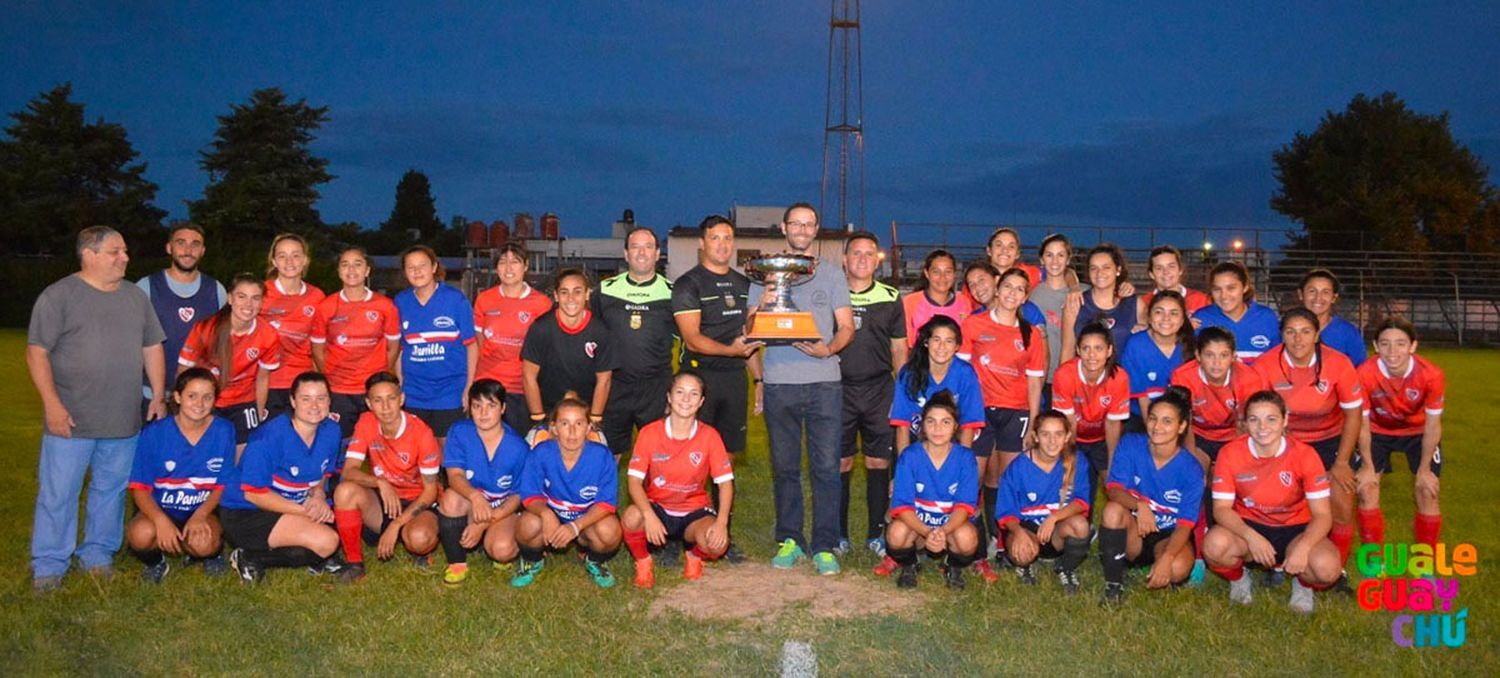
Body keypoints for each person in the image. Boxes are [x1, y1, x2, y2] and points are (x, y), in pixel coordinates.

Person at [27, 226, 167, 591]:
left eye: (124, 251)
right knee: (59, 493)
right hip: (70, 420)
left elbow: (152, 347)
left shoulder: (135, 298)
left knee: (111, 490)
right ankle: (50, 564)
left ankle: (98, 555)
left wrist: (156, 395)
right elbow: (36, 352)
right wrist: (52, 405)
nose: (125, 257)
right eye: (115, 252)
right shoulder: (59, 296)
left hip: (122, 420)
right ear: (89, 254)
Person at [748, 202, 855, 575]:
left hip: (825, 382)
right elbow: (750, 331)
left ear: (816, 229)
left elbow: (846, 327)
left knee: (826, 467)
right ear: (784, 227)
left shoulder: (831, 274)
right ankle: (790, 538)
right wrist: (761, 304)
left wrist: (829, 348)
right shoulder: (764, 273)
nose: (802, 229)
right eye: (796, 223)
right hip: (781, 382)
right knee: (785, 467)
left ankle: (824, 544)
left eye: (809, 224)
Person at [672, 215, 761, 564]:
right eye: (715, 238)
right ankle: (674, 535)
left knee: (722, 464)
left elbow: (749, 339)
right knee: (686, 459)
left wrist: (758, 379)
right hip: (697, 380)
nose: (722, 244)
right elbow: (693, 340)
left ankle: (721, 532)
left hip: (733, 380)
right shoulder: (688, 284)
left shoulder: (745, 284)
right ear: (702, 243)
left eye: (728, 238)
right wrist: (733, 351)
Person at [1249, 308, 1362, 577]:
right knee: (1279, 498)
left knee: (1342, 501)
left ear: (1317, 334)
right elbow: (1258, 416)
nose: (1298, 339)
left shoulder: (1338, 363)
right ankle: (1275, 563)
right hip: (1283, 442)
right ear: (1281, 336)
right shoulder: (1266, 365)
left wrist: (1342, 462)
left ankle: (1338, 568)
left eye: (1305, 331)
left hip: (1329, 441)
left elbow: (1353, 414)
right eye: (1290, 332)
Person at [1204, 391, 1341, 613]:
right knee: (1215, 545)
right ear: (1246, 423)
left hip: (1296, 529)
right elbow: (1221, 510)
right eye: (1254, 419)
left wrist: (1304, 547)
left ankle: (1303, 584)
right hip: (1250, 527)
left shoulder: (1305, 455)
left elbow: (1323, 515)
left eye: (1271, 419)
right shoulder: (1230, 453)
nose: (1262, 427)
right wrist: (1251, 537)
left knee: (1327, 569)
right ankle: (1239, 580)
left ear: (1285, 420)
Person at [959, 266, 1045, 572]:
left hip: (1016, 413)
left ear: (1025, 297)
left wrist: (1034, 421)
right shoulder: (974, 324)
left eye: (1019, 289)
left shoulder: (1031, 333)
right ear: (997, 288)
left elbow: (1035, 381)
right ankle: (974, 550)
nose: (1012, 293)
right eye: (1007, 287)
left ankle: (1009, 546)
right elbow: (962, 373)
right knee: (973, 479)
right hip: (979, 412)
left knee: (1008, 483)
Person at [219, 371, 343, 584]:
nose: (315, 406)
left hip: (293, 502)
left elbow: (324, 472)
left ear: (329, 401)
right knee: (327, 541)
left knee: (336, 524)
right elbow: (253, 494)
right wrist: (307, 512)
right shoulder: (269, 437)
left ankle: (309, 551)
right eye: (306, 398)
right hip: (247, 511)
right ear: (293, 401)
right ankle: (249, 556)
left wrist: (319, 496)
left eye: (321, 398)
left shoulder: (331, 430)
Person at [622, 371, 734, 589]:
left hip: (694, 512)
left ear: (701, 402)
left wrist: (721, 523)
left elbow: (725, 485)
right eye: (680, 392)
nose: (686, 399)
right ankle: (643, 562)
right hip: (659, 508)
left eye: (694, 394)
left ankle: (694, 556)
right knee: (631, 516)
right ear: (669, 397)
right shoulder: (649, 433)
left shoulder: (710, 436)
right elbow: (634, 482)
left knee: (718, 545)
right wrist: (649, 515)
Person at [126, 367, 234, 583]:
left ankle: (207, 555)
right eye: (192, 396)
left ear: (215, 400)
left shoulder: (224, 430)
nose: (199, 403)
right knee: (140, 535)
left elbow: (222, 484)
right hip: (162, 507)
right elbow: (139, 487)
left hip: (200, 508)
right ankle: (156, 562)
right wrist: (160, 520)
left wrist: (200, 516)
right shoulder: (155, 433)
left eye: (207, 397)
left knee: (204, 544)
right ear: (177, 397)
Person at [331, 372, 442, 582]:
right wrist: (379, 482)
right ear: (369, 404)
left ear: (402, 399)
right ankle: (355, 564)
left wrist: (396, 524)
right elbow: (349, 470)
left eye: (391, 398)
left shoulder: (422, 433)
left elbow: (431, 491)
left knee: (419, 539)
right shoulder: (366, 422)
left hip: (416, 501)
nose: (386, 407)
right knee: (344, 491)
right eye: (378, 400)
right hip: (383, 499)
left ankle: (414, 544)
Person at [1098, 387, 1205, 603]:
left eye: (1167, 421)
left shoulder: (1191, 469)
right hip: (1135, 531)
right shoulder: (1130, 444)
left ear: (1181, 426)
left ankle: (1158, 562)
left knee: (1176, 568)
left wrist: (1167, 557)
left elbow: (1185, 523)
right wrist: (1140, 505)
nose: (1157, 427)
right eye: (1153, 419)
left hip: (1167, 534)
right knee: (1112, 510)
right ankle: (1113, 584)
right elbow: (1113, 489)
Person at [838, 231, 907, 558]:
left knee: (879, 460)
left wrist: (902, 392)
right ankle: (838, 533)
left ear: (876, 261)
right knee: (841, 461)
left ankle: (875, 533)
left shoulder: (891, 296)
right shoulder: (833, 293)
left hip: (879, 389)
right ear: (845, 259)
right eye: (856, 253)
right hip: (838, 390)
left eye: (870, 254)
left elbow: (899, 349)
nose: (863, 259)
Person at [514, 395, 623, 589]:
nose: (572, 432)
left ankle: (594, 560)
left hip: (585, 521)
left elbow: (606, 504)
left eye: (579, 423)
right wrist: (546, 514)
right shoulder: (541, 452)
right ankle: (533, 559)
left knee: (610, 531)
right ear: (554, 428)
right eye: (565, 424)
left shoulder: (602, 456)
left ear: (589, 427)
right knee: (527, 524)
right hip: (551, 518)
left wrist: (575, 526)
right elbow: (529, 494)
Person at [1355, 317, 1445, 549]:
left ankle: (1425, 564)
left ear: (1413, 346)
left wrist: (1424, 469)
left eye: (1400, 343)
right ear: (1376, 346)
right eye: (1385, 343)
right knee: (1366, 488)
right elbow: (1361, 424)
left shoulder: (1431, 375)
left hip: (1418, 432)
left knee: (1427, 490)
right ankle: (1374, 563)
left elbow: (1433, 425)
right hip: (1376, 431)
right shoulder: (1364, 373)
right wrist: (1367, 465)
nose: (1392, 351)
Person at [435, 379, 531, 586]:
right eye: (477, 406)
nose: (483, 413)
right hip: (472, 504)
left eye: (491, 405)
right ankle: (457, 562)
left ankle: (495, 543)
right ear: (470, 408)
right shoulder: (459, 432)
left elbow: (517, 496)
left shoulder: (519, 447)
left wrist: (485, 523)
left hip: (502, 510)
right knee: (451, 498)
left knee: (501, 550)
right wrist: (475, 496)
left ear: (503, 408)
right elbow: (454, 475)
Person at [884, 392, 981, 589]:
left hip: (950, 526)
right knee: (896, 533)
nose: (937, 428)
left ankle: (951, 566)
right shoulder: (910, 456)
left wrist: (943, 532)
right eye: (931, 421)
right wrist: (928, 533)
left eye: (945, 422)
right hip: (920, 527)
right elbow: (902, 506)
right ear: (922, 426)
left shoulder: (966, 458)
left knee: (968, 539)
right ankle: (910, 565)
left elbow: (964, 506)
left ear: (955, 426)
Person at [594, 226, 677, 457]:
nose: (642, 253)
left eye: (648, 247)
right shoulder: (604, 291)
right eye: (635, 247)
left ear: (658, 253)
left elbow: (689, 341)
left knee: (659, 456)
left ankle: (657, 495)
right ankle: (603, 495)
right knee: (607, 455)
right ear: (626, 254)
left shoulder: (674, 293)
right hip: (615, 387)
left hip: (656, 388)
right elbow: (589, 336)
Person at [177, 274, 282, 447]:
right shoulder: (206, 328)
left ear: (262, 302)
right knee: (208, 453)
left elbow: (263, 378)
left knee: (245, 456)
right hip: (209, 401)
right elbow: (184, 370)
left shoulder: (268, 334)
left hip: (243, 400)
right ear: (230, 298)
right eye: (242, 296)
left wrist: (259, 411)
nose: (248, 304)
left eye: (255, 298)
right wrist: (184, 406)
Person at [995, 410, 1093, 593]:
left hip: (1056, 531)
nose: (1052, 441)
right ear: (1035, 436)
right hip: (1028, 528)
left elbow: (1081, 502)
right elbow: (1005, 512)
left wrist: (1054, 518)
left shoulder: (1076, 462)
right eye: (1045, 434)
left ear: (1067, 437)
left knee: (1080, 525)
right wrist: (1018, 533)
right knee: (1023, 553)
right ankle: (1024, 565)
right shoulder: (1018, 467)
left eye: (1058, 434)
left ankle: (1065, 567)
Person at [136, 223, 227, 416]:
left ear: (202, 251)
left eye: (195, 244)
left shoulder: (216, 290)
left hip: (199, 399)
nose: (188, 250)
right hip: (151, 394)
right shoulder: (146, 287)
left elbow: (224, 344)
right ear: (169, 248)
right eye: (181, 243)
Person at [311, 246, 401, 438]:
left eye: (357, 264)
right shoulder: (326, 306)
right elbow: (317, 350)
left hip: (372, 390)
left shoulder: (385, 306)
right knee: (339, 445)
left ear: (367, 270)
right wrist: (331, 377)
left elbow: (393, 348)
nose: (351, 270)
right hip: (338, 390)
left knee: (377, 446)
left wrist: (381, 376)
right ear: (338, 271)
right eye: (345, 265)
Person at [394, 245, 476, 443]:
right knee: (416, 450)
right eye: (410, 267)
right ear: (405, 272)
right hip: (414, 392)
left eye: (422, 265)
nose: (417, 271)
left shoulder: (455, 300)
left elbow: (472, 345)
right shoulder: (400, 302)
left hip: (450, 392)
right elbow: (399, 348)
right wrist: (400, 383)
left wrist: (469, 387)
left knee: (446, 453)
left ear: (434, 267)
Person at [521, 267, 616, 434]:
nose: (571, 298)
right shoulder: (541, 328)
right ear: (556, 296)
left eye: (577, 292)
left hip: (586, 414)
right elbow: (529, 377)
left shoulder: (600, 331)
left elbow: (604, 380)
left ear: (587, 294)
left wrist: (594, 420)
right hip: (549, 413)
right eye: (564, 292)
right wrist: (539, 420)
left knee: (593, 455)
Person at [473, 243, 554, 434]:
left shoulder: (541, 303)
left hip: (523, 388)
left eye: (515, 262)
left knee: (521, 447)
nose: (508, 268)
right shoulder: (484, 299)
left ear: (526, 266)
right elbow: (479, 343)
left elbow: (545, 351)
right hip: (489, 387)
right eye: (503, 262)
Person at [1051, 322, 1129, 505]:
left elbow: (1112, 424)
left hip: (1102, 438)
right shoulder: (1064, 374)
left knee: (1115, 486)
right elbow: (1069, 423)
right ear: (1078, 350)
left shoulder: (1119, 377)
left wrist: (1112, 465)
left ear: (1109, 351)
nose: (1092, 355)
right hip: (1073, 436)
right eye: (1086, 348)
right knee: (1072, 483)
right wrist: (1070, 462)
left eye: (1098, 348)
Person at [1170, 327, 1267, 462]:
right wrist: (1192, 461)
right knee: (1197, 472)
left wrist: (1236, 456)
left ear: (1233, 356)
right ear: (1198, 355)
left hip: (1234, 436)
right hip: (1198, 436)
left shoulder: (1249, 378)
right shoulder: (1182, 376)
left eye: (1224, 355)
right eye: (1209, 355)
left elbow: (1247, 424)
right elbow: (1185, 423)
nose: (1217, 363)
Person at [889, 316, 985, 453]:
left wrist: (963, 462)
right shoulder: (909, 373)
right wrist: (905, 464)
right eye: (936, 340)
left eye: (949, 341)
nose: (942, 347)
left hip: (951, 443)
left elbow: (968, 424)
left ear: (957, 346)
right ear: (926, 342)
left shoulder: (965, 374)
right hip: (915, 441)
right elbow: (902, 424)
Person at [259, 234, 325, 420]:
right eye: (282, 255)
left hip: (301, 384)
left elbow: (319, 345)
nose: (289, 261)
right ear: (274, 261)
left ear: (305, 260)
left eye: (296, 255)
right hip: (266, 383)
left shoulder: (317, 296)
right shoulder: (260, 293)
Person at [1121, 291, 1194, 425]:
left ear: (1183, 320)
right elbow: (1143, 398)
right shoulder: (1136, 345)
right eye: (1159, 312)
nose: (1166, 318)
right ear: (1148, 317)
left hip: (1180, 417)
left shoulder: (1190, 345)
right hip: (1142, 418)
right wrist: (1154, 431)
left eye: (1173, 313)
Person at [1192, 262, 1279, 363]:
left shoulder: (1266, 317)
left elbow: (1277, 360)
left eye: (1231, 288)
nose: (1224, 296)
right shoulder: (1202, 318)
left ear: (1245, 287)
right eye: (1217, 289)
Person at [1074, 243, 1145, 351]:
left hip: (1126, 368)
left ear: (1118, 270)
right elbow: (1067, 350)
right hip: (1088, 367)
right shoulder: (1077, 302)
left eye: (1106, 267)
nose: (1099, 273)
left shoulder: (1136, 304)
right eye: (1094, 268)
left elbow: (1147, 345)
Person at [901, 249, 974, 347]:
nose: (942, 277)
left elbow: (967, 340)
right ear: (927, 273)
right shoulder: (910, 302)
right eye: (936, 272)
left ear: (954, 274)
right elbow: (905, 344)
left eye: (948, 272)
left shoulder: (964, 302)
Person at [1298, 269, 1367, 367]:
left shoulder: (1348, 333)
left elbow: (1360, 371)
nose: (1318, 297)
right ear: (1301, 294)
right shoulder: (1288, 330)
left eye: (1325, 292)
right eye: (1312, 291)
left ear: (1334, 297)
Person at [1141, 246, 1211, 316]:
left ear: (1180, 270)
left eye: (1171, 266)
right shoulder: (1143, 303)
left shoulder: (1202, 300)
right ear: (1151, 274)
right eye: (1159, 268)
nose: (1166, 272)